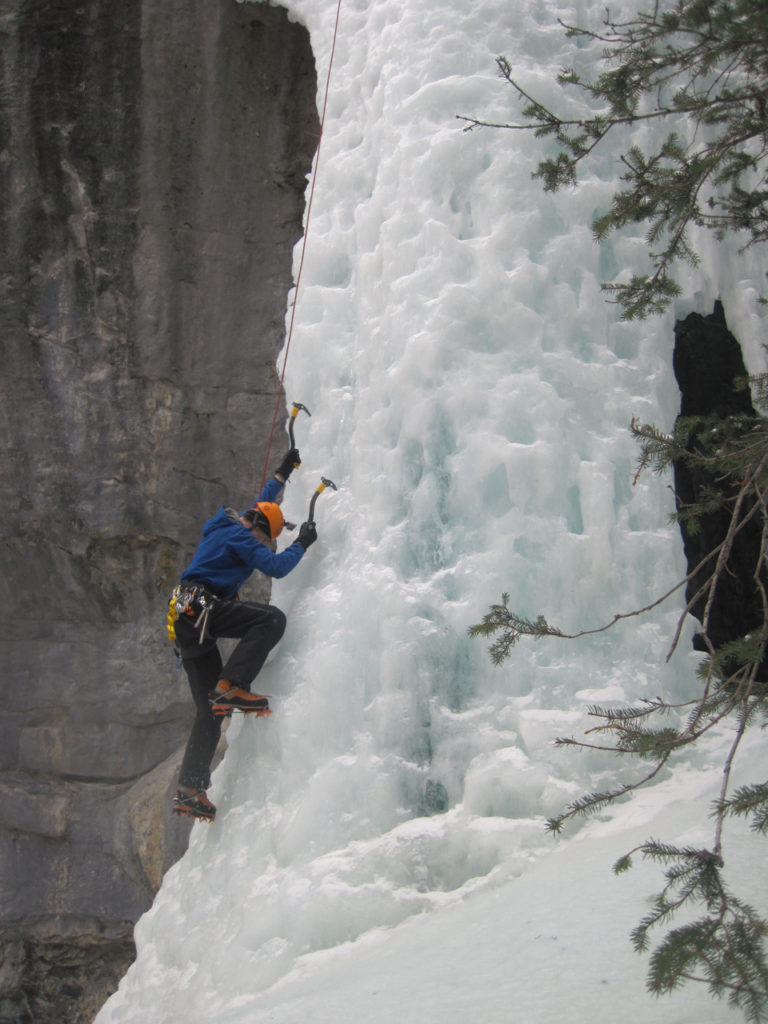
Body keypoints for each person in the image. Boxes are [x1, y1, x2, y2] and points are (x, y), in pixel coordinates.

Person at [168, 447, 317, 822]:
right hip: (201, 606)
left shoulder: (232, 524)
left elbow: (262, 504)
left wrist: (283, 474)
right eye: (265, 538)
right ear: (257, 529)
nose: (261, 544)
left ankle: (190, 789)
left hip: (186, 615)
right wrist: (303, 542)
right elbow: (277, 567)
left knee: (209, 710)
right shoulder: (243, 537)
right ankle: (233, 683)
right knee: (270, 620)